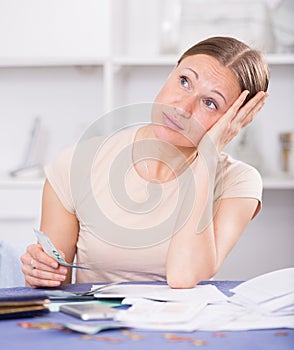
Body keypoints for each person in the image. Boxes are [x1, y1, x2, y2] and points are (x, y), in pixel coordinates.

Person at [21, 36, 269, 288]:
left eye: (210, 103)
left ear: (235, 120)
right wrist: (40, 271)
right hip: (96, 322)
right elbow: (54, 286)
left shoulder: (239, 182)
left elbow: (184, 277)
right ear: (171, 72)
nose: (182, 108)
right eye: (184, 81)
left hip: (179, 325)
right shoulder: (75, 163)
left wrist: (208, 157)